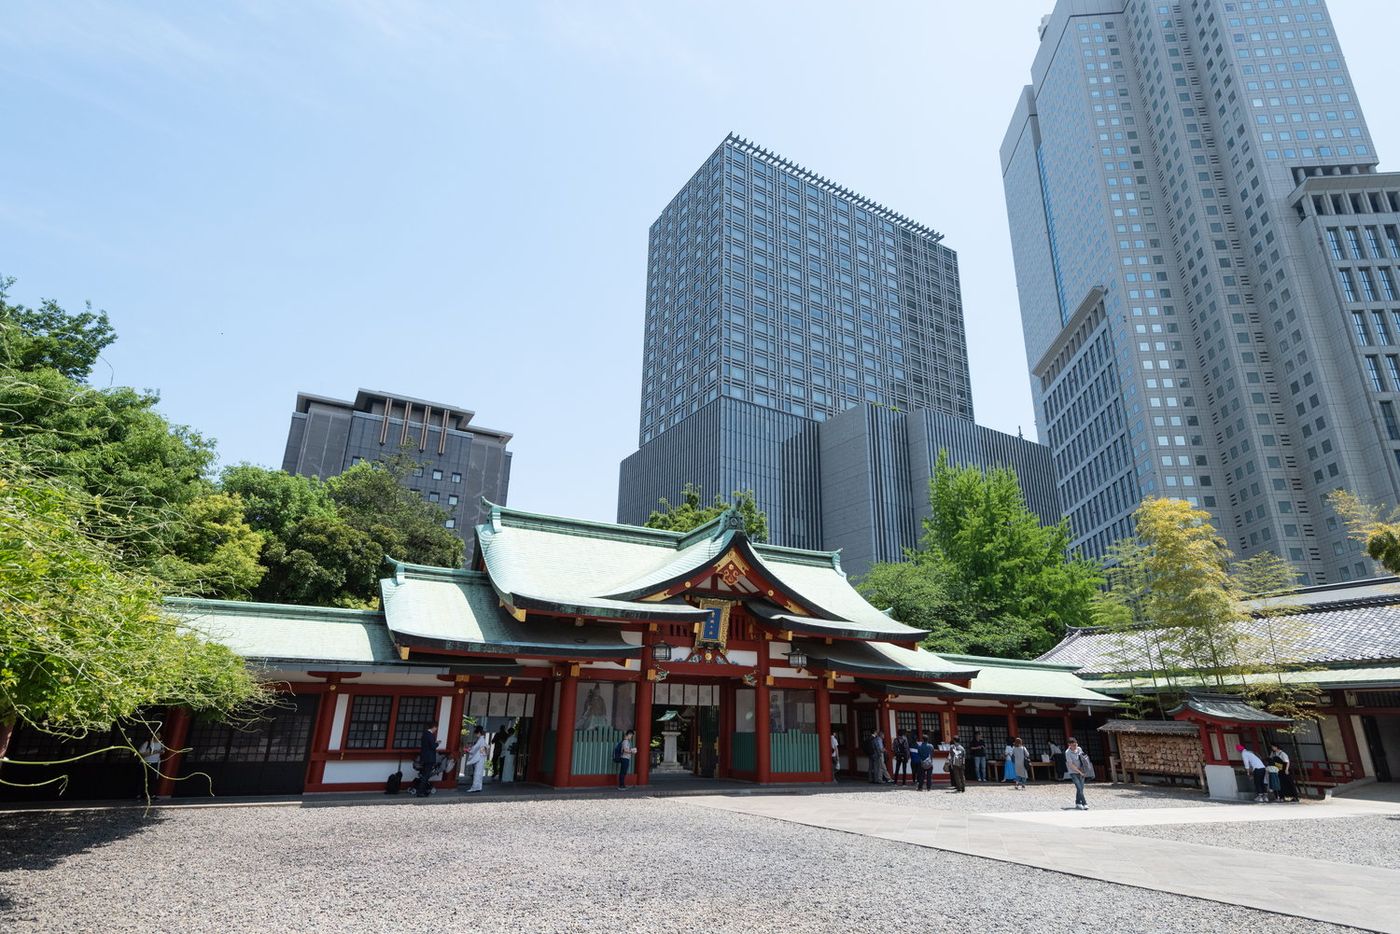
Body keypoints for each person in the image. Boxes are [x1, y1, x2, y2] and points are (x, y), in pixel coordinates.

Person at [415, 724, 442, 796]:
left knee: (424, 774)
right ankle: (421, 791)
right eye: (436, 728)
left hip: (424, 756)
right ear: (434, 727)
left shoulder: (424, 734)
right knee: (426, 775)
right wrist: (437, 743)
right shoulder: (430, 735)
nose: (436, 730)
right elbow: (433, 746)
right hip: (429, 757)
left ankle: (422, 790)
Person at [1064, 737, 1091, 810]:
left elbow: (1083, 759)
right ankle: (1084, 803)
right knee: (1079, 787)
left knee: (1081, 788)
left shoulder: (1079, 749)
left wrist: (1084, 770)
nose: (1075, 747)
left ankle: (1078, 803)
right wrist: (1079, 772)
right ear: (1069, 745)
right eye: (1073, 745)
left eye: (1076, 745)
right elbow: (1070, 764)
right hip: (1073, 771)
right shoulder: (1067, 752)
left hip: (1082, 770)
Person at [465, 726, 488, 793]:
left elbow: (475, 748)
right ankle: (478, 787)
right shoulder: (482, 739)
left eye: (476, 733)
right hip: (481, 757)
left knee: (477, 773)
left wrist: (469, 750)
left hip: (479, 757)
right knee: (479, 773)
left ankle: (475, 787)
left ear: (479, 733)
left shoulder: (480, 740)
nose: (475, 735)